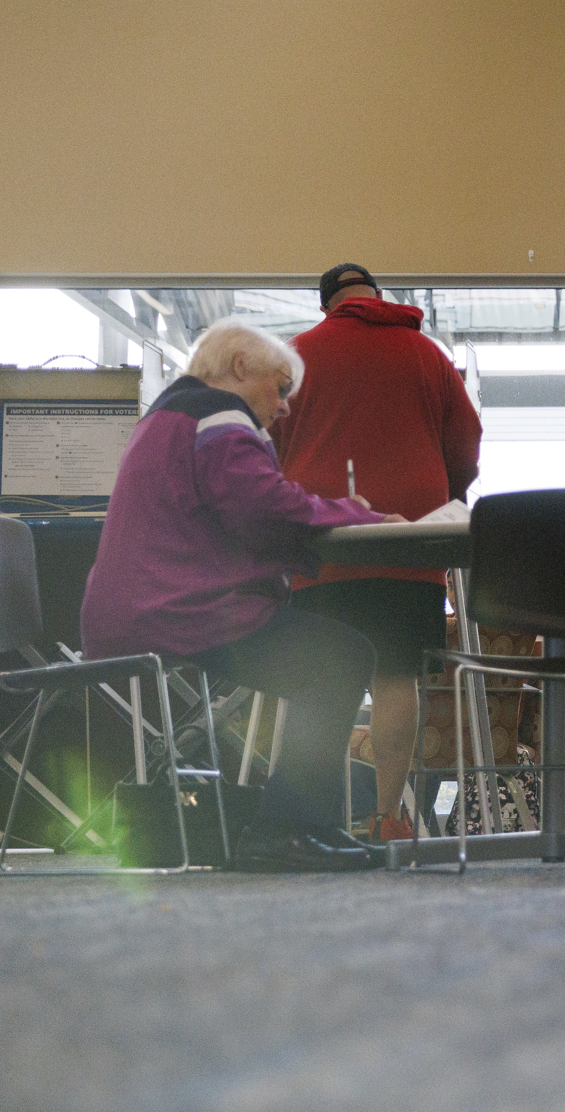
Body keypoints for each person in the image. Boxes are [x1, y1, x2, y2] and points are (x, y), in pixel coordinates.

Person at [81, 318, 387, 873]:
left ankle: (303, 826)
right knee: (339, 657)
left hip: (140, 610)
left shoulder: (169, 416)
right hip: (174, 612)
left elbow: (235, 512)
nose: (286, 407)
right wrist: (354, 514)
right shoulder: (218, 413)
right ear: (241, 368)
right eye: (281, 387)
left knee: (325, 654)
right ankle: (288, 830)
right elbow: (260, 506)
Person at [271, 263, 482, 844]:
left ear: (326, 306)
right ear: (378, 297)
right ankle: (388, 817)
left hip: (323, 543)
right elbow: (466, 441)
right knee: (395, 677)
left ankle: (311, 818)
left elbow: (270, 438)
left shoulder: (296, 356)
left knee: (319, 676)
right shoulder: (427, 354)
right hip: (410, 544)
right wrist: (447, 493)